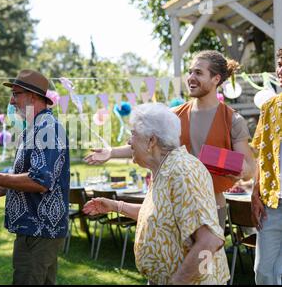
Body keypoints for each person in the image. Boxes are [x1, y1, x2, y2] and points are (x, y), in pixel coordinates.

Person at [86, 50, 256, 230]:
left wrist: (218, 160)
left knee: (206, 257)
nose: (190, 77)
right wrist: (111, 152)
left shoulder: (233, 120)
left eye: (198, 73)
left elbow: (249, 169)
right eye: (190, 71)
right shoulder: (172, 116)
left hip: (212, 206)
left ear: (216, 79)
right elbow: (148, 145)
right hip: (170, 203)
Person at [83, 103, 229, 285]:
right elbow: (159, 215)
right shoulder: (164, 168)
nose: (129, 142)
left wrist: (178, 281)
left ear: (152, 141)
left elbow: (209, 241)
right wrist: (115, 206)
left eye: (133, 134)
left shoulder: (183, 172)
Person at [0, 69, 70, 285]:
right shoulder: (35, 128)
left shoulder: (47, 129)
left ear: (33, 97)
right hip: (36, 229)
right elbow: (30, 174)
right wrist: (1, 190)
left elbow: (40, 181)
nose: (11, 100)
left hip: (39, 229)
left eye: (16, 94)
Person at [250, 48, 282, 285]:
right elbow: (261, 153)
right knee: (263, 271)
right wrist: (255, 192)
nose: (280, 70)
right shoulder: (270, 107)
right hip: (273, 203)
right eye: (280, 64)